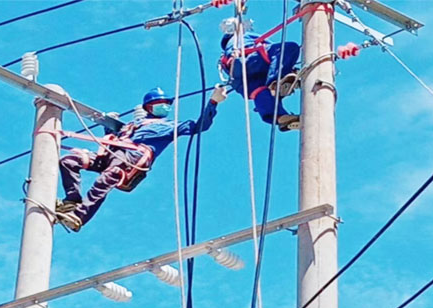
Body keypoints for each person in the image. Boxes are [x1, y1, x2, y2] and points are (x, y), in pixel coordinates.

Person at [56, 86, 227, 231]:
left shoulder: (169, 126)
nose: (165, 107)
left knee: (105, 180)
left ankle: (79, 217)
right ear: (149, 107)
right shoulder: (131, 125)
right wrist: (108, 123)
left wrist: (213, 101)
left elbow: (200, 126)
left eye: (168, 104)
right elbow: (116, 137)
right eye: (161, 103)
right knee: (69, 161)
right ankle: (72, 200)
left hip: (130, 159)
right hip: (110, 154)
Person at [219, 26, 301, 131]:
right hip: (251, 60)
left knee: (260, 92)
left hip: (244, 77)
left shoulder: (225, 59)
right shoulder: (241, 36)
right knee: (289, 48)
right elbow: (273, 50)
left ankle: (280, 118)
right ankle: (276, 83)